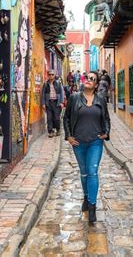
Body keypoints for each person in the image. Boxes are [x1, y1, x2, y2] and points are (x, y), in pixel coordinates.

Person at [63, 71, 111, 223]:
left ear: (96, 84)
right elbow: (66, 118)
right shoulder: (74, 98)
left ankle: (92, 207)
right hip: (78, 143)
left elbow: (107, 119)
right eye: (86, 77)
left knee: (92, 172)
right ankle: (85, 197)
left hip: (95, 143)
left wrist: (106, 132)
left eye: (92, 79)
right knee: (84, 173)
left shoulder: (101, 99)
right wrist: (69, 136)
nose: (88, 80)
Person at [41, 70, 65, 137]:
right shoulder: (45, 84)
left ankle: (58, 129)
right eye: (49, 74)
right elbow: (43, 94)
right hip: (48, 103)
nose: (51, 76)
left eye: (52, 74)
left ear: (54, 75)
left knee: (57, 118)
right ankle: (50, 131)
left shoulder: (58, 83)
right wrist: (43, 103)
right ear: (48, 75)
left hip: (56, 103)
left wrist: (61, 102)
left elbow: (62, 92)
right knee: (49, 118)